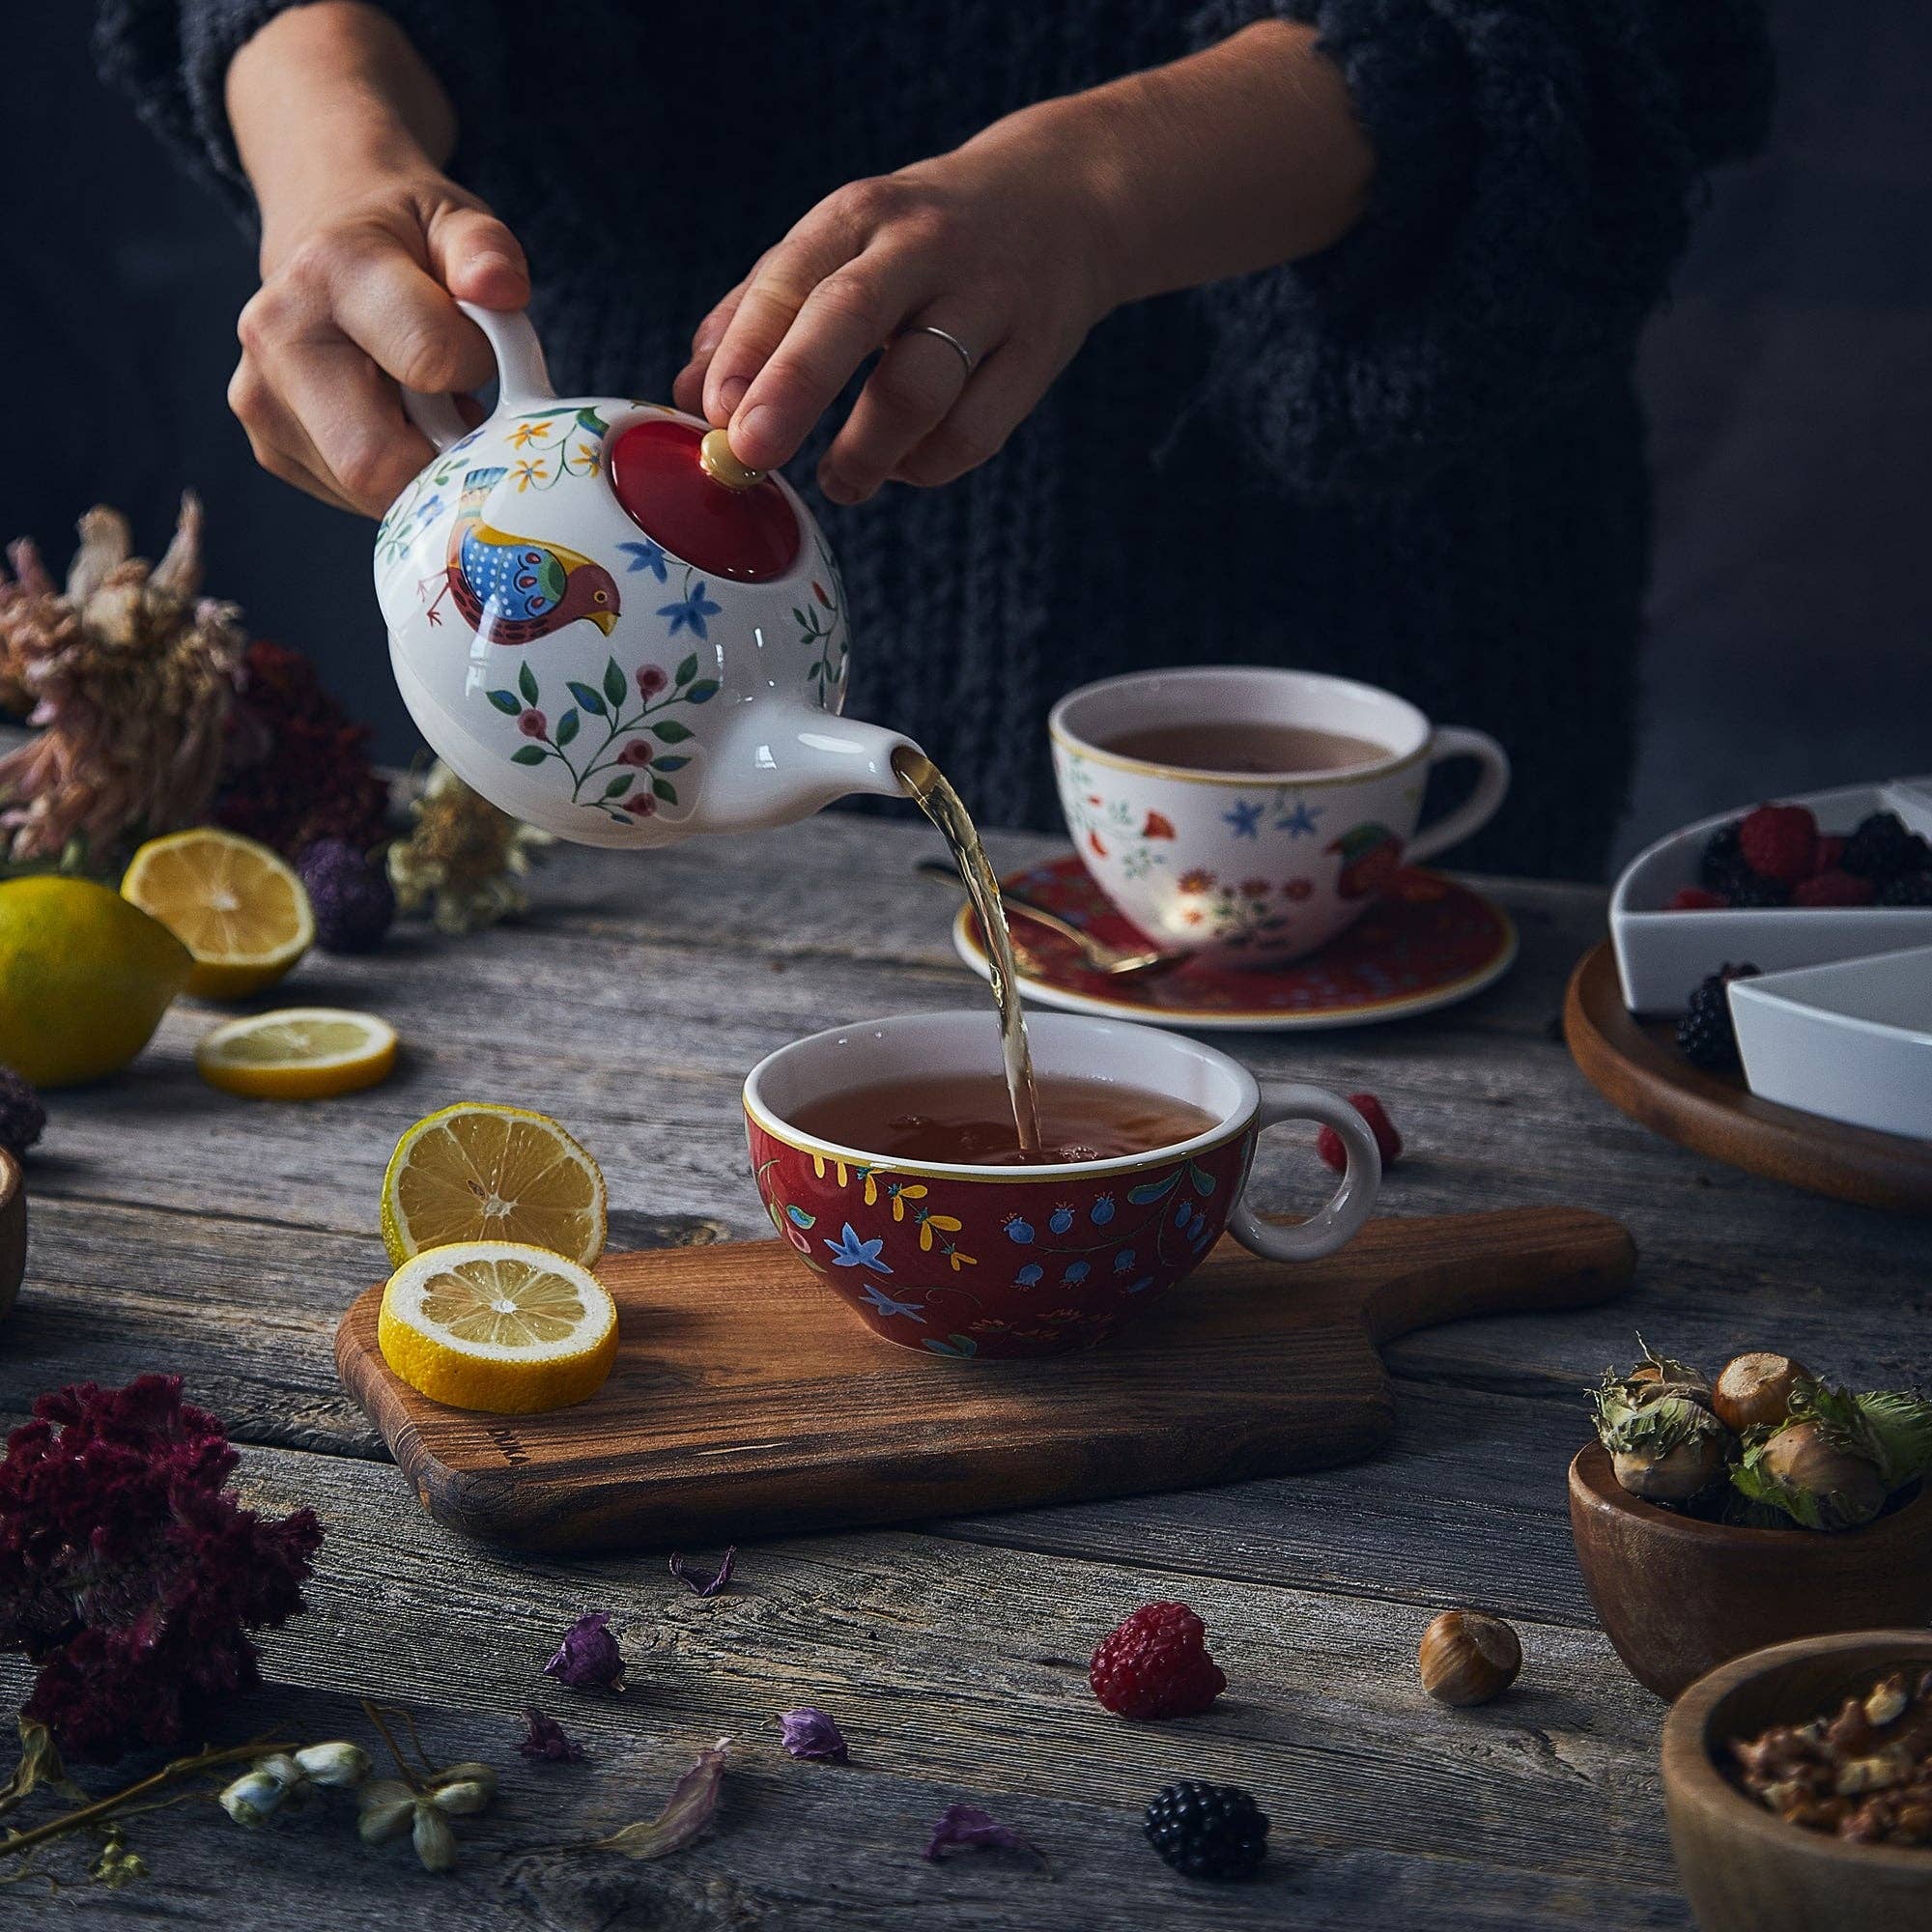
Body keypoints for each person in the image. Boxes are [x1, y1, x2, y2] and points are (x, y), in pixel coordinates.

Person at [99, 1, 1772, 878]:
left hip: (1328, 583)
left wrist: (1104, 188)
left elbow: (1597, 30)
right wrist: (330, 149)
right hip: (636, 780)